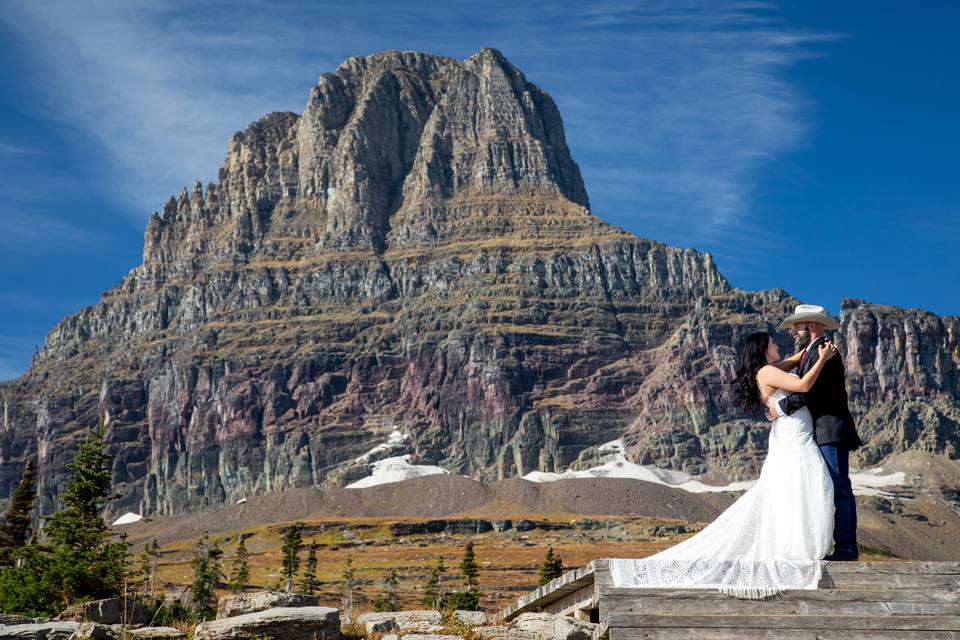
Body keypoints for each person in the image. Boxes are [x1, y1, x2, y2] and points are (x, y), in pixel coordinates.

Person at [610, 331, 837, 598]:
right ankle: (798, 547)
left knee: (797, 487)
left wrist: (810, 349)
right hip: (793, 436)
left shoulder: (770, 369)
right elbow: (804, 387)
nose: (778, 345)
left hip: (791, 432)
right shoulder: (766, 372)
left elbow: (796, 359)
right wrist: (822, 360)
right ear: (763, 348)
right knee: (805, 483)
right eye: (773, 343)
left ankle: (799, 544)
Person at [770, 304, 863, 561]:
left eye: (796, 327)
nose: (792, 333)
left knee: (839, 488)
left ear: (811, 326)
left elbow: (811, 390)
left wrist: (781, 407)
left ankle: (846, 547)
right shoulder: (812, 352)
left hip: (830, 430)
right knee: (830, 487)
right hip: (822, 431)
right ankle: (839, 546)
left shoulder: (824, 352)